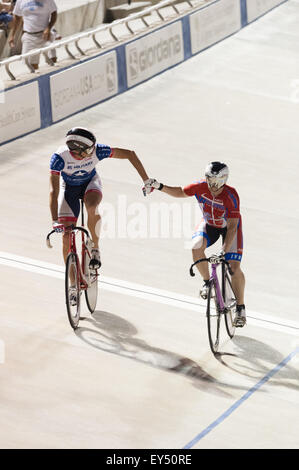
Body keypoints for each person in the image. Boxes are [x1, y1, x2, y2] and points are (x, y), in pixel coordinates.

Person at [49, 127, 153, 296]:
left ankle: (95, 248)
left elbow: (130, 154)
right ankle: (73, 284)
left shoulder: (97, 151)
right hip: (69, 190)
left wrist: (146, 179)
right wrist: (55, 220)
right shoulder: (59, 159)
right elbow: (53, 192)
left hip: (91, 183)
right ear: (76, 150)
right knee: (66, 237)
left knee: (92, 207)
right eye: (89, 149)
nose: (93, 152)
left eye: (93, 148)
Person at [145, 162, 246, 327]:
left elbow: (233, 227)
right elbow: (181, 192)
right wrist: (159, 186)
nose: (211, 185)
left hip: (229, 228)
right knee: (196, 247)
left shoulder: (231, 195)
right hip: (210, 224)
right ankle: (207, 282)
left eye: (215, 182)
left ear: (223, 180)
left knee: (233, 267)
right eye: (209, 180)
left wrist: (223, 250)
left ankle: (241, 308)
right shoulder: (200, 186)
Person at [9, 0, 57, 69]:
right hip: (29, 36)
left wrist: (48, 28)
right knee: (31, 66)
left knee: (53, 59)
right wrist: (12, 35)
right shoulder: (20, 1)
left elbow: (54, 13)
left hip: (45, 35)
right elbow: (17, 17)